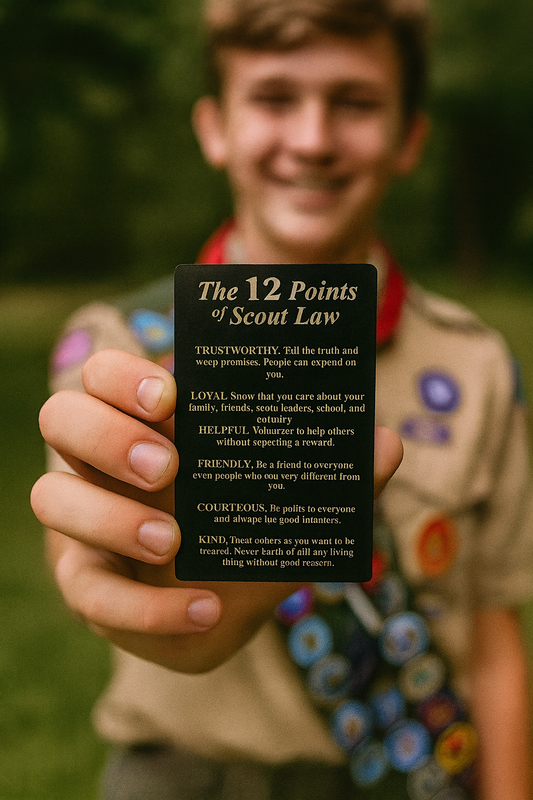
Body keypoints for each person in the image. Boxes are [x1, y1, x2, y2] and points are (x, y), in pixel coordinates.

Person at [31, 0, 533, 798]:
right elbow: (78, 539)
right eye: (272, 97)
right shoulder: (120, 347)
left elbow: (495, 636)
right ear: (213, 127)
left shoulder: (475, 369)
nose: (311, 139)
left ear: (409, 139)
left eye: (355, 102)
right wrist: (104, 575)